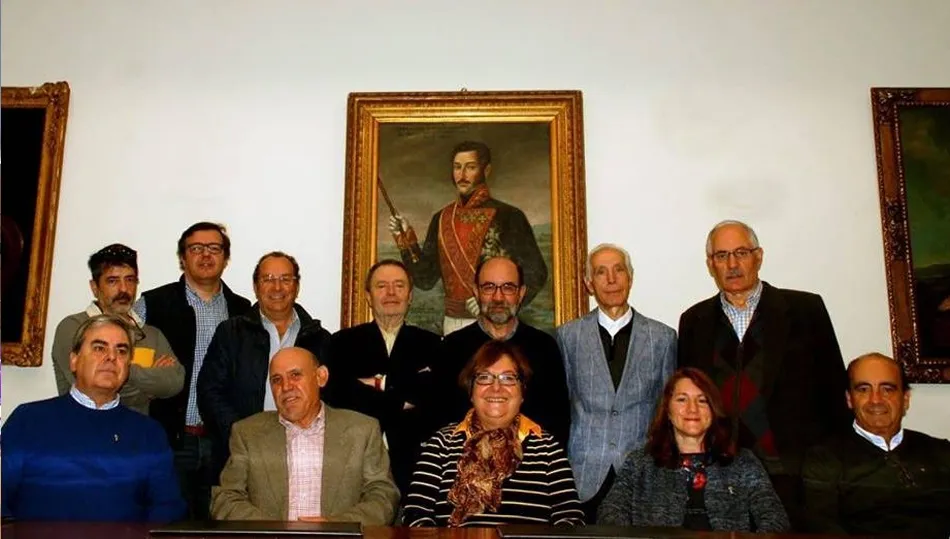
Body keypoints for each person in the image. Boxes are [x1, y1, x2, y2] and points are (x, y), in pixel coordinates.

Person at [677, 219, 850, 527]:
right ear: (710, 264)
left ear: (758, 257)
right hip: (722, 475)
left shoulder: (805, 311)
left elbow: (835, 391)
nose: (732, 264)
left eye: (741, 253)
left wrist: (831, 467)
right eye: (721, 255)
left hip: (793, 473)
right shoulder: (694, 321)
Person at [1, 314, 185, 522]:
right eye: (99, 348)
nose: (111, 357)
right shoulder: (29, 420)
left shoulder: (149, 434)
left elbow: (167, 510)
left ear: (128, 365)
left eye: (121, 351)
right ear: (74, 360)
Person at [134, 221, 251, 519]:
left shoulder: (243, 310)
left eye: (214, 248)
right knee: (166, 525)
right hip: (169, 438)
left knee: (221, 525)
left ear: (226, 257)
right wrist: (153, 378)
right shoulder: (152, 304)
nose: (206, 255)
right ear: (182, 257)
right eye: (196, 248)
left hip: (224, 441)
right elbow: (126, 362)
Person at [404, 340, 584, 527]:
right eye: (484, 377)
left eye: (508, 378)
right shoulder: (441, 443)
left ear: (522, 392)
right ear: (471, 391)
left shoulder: (547, 447)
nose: (496, 387)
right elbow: (415, 515)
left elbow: (571, 518)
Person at [556, 243, 677, 522]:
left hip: (642, 477)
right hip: (583, 479)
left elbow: (667, 413)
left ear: (630, 278)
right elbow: (563, 408)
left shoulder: (662, 338)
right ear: (589, 283)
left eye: (618, 270)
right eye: (601, 272)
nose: (611, 280)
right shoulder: (567, 337)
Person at [211, 347, 399, 524]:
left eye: (295, 375)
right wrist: (273, 531)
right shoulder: (248, 433)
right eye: (277, 380)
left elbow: (383, 496)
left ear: (321, 377)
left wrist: (336, 527)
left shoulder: (362, 430)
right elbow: (226, 499)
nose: (286, 387)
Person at [598, 368, 788, 533]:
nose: (692, 409)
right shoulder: (640, 463)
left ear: (713, 410)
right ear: (668, 410)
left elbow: (775, 519)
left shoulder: (743, 462)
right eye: (682, 399)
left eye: (702, 400)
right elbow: (610, 512)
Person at [198, 251, 331, 484]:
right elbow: (210, 393)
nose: (277, 287)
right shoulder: (230, 333)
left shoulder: (319, 339)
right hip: (241, 453)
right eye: (268, 279)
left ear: (297, 286)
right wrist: (244, 435)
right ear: (256, 286)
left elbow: (330, 398)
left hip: (306, 454)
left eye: (285, 279)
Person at [389, 141, 547, 335]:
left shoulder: (509, 216)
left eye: (470, 167)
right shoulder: (441, 218)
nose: (462, 175)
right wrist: (406, 240)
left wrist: (498, 304)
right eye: (457, 167)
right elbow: (425, 279)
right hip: (451, 324)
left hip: (497, 324)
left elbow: (536, 273)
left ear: (486, 170)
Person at [323, 259, 440, 495]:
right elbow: (339, 396)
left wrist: (377, 384)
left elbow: (432, 399)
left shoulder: (433, 345)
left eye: (399, 285)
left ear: (410, 296)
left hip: (415, 465)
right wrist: (402, 398)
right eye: (382, 286)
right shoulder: (341, 343)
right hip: (354, 463)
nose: (391, 293)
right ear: (369, 296)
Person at [802, 353, 950, 538]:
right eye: (863, 389)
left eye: (887, 389)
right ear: (849, 399)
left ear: (905, 399)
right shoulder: (824, 459)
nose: (876, 400)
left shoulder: (940, 451)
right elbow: (823, 528)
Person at [433, 255, 570, 444]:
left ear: (521, 293)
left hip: (532, 458)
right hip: (463, 457)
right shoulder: (451, 348)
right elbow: (440, 419)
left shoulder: (544, 347)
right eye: (489, 287)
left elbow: (558, 420)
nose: (498, 297)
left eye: (508, 287)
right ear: (476, 292)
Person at [52, 243, 184, 415]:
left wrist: (124, 373)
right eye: (113, 281)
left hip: (135, 430)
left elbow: (175, 383)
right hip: (81, 425)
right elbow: (94, 389)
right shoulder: (73, 327)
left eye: (130, 280)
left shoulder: (151, 334)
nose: (123, 289)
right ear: (94, 287)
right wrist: (149, 390)